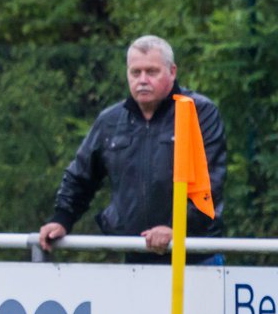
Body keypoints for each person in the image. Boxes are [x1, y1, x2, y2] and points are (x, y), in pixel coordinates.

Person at [38, 35, 226, 263]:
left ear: (172, 71)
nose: (143, 80)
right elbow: (80, 175)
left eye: (152, 71)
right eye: (135, 72)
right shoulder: (110, 120)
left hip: (195, 255)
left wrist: (175, 229)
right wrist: (62, 219)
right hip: (133, 254)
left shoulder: (199, 112)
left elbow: (210, 183)